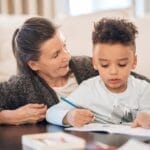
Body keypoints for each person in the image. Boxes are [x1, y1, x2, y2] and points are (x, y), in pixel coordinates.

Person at [46, 18, 150, 129]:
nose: (113, 72)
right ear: (95, 63)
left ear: (134, 62)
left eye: (122, 64)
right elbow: (51, 112)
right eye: (105, 65)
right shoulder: (88, 89)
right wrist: (69, 116)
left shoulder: (144, 89)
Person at [0, 17, 98, 125]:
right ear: (34, 64)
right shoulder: (23, 85)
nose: (67, 56)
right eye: (56, 55)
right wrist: (13, 117)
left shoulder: (86, 66)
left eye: (64, 46)